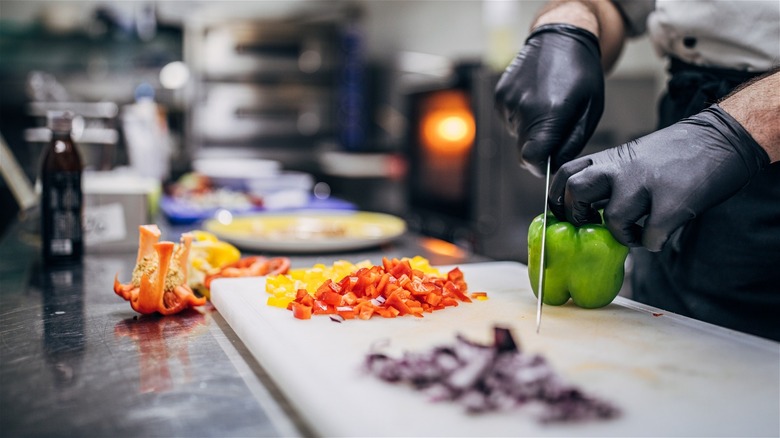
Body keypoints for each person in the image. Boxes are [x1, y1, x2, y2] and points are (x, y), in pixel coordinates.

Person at [494, 0, 779, 341]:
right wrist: (571, 22)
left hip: (759, 144)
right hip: (689, 115)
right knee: (667, 340)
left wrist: (742, 128)